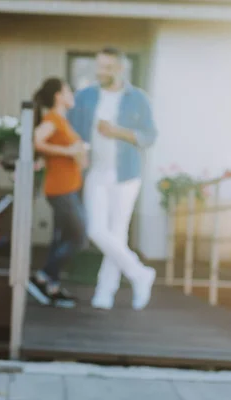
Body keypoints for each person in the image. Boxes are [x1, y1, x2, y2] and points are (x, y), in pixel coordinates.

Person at [67, 46, 158, 311]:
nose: (101, 71)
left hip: (126, 174)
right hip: (95, 172)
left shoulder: (137, 98)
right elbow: (71, 132)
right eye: (99, 66)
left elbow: (149, 136)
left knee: (117, 232)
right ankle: (140, 274)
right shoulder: (84, 96)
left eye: (107, 67)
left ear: (120, 68)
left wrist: (117, 131)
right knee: (95, 230)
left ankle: (105, 292)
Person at [27, 77, 89, 308]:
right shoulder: (52, 119)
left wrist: (78, 153)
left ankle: (52, 286)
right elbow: (36, 140)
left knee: (62, 239)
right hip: (61, 190)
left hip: (68, 187)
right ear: (58, 96)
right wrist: (68, 151)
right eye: (68, 91)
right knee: (79, 237)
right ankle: (42, 276)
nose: (72, 94)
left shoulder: (62, 120)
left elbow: (61, 150)